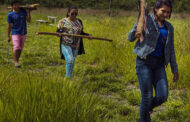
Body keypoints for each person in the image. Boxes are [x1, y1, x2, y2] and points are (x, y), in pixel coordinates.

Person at [128, 0, 179, 121]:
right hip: (144, 63)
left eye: (168, 12)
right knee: (147, 97)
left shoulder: (169, 27)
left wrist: (174, 69)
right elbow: (130, 37)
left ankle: (145, 110)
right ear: (156, 9)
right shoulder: (145, 20)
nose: (166, 14)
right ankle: (144, 116)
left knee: (163, 96)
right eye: (163, 11)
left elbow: (171, 49)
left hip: (159, 65)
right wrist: (136, 30)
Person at [57, 6, 91, 79]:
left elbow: (81, 33)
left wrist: (88, 35)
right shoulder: (62, 21)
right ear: (68, 13)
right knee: (70, 60)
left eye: (76, 14)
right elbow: (58, 31)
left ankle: (70, 77)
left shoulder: (79, 21)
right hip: (65, 44)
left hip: (76, 46)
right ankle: (67, 79)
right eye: (72, 14)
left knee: (72, 62)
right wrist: (59, 34)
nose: (74, 15)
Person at [7, 0, 31, 68]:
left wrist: (29, 11)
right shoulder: (10, 14)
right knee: (16, 47)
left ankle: (17, 60)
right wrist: (8, 36)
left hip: (23, 33)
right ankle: (15, 62)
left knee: (20, 48)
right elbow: (9, 26)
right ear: (12, 6)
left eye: (18, 5)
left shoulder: (23, 12)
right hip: (15, 33)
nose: (17, 6)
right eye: (15, 5)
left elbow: (29, 20)